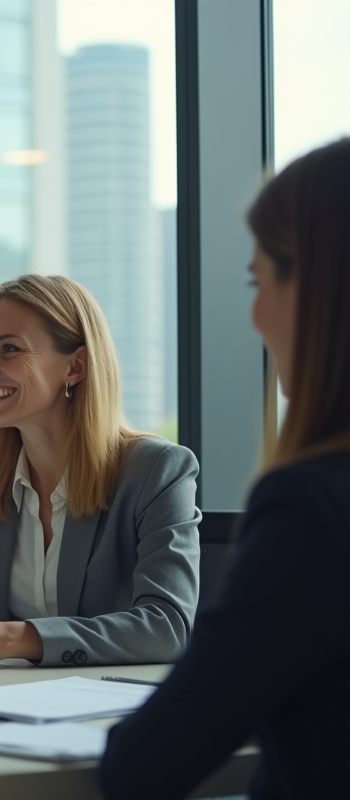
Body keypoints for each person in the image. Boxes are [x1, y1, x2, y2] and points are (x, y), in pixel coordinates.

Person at [100, 139, 350, 799]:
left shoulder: (312, 507)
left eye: (258, 280)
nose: (255, 313)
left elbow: (148, 763)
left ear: (322, 286)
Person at [0, 274, 201, 666]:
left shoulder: (155, 471)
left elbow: (166, 628)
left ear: (76, 366)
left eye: (9, 349)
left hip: (107, 712)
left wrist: (9, 638)